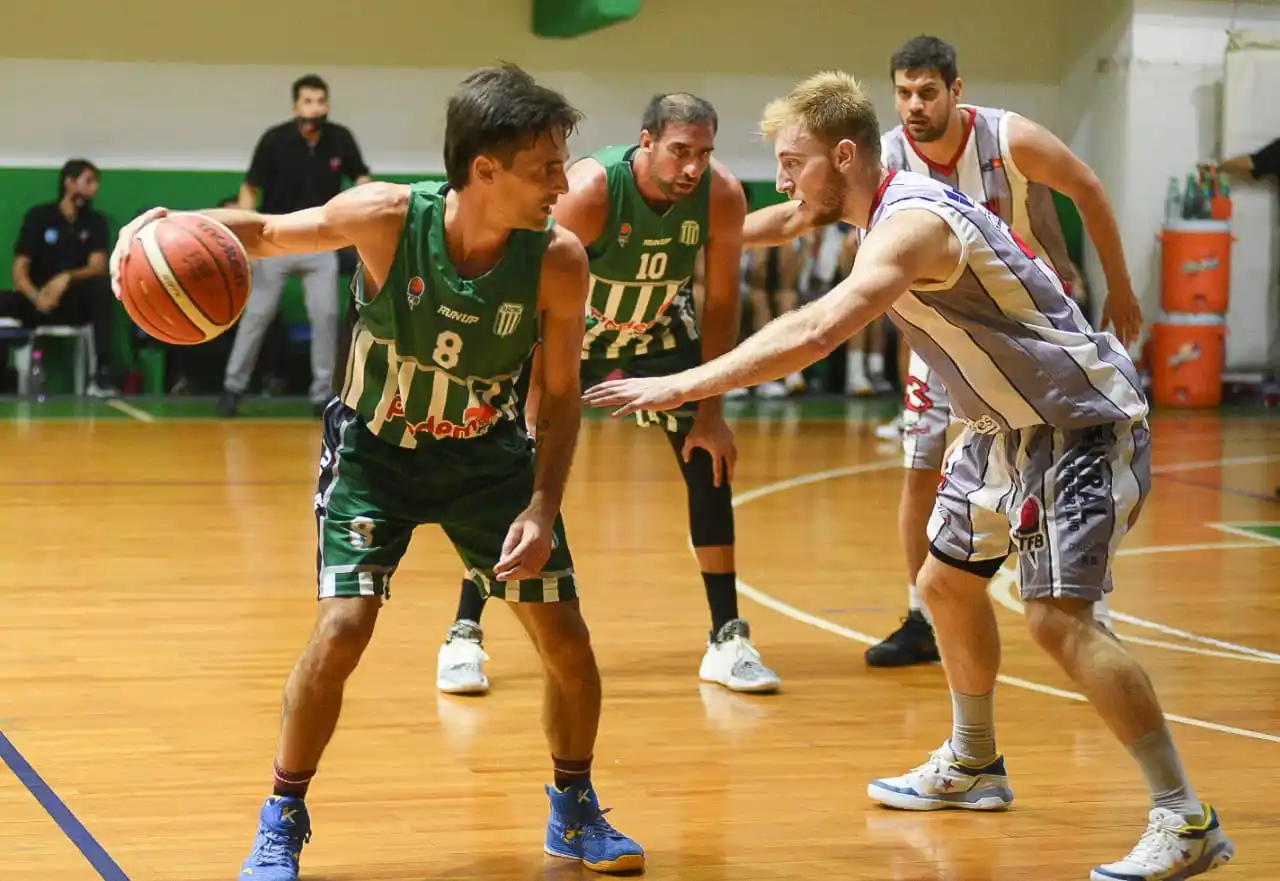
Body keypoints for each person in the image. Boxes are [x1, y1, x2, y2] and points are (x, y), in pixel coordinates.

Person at [584, 70, 1234, 881]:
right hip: (1000, 427)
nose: (783, 184)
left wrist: (685, 382)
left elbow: (817, 329)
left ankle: (1185, 816)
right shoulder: (878, 213)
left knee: (1058, 619)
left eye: (792, 164)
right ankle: (974, 761)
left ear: (842, 158)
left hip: (1077, 423)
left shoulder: (912, 224)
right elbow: (775, 231)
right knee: (944, 585)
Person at [109, 64, 643, 880]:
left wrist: (542, 504)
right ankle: (281, 816)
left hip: (487, 460)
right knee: (342, 630)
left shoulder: (559, 260)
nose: (563, 184)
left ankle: (573, 806)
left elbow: (564, 394)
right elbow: (265, 232)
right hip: (374, 450)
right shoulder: (389, 216)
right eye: (546, 168)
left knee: (566, 638)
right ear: (485, 169)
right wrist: (162, 227)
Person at [745, 35, 1142, 669]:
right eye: (903, 93)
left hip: (1024, 330)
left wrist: (1119, 286)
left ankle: (1085, 597)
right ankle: (922, 615)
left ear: (956, 91)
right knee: (921, 463)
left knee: (1051, 458)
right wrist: (705, 239)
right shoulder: (883, 156)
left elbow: (1088, 188)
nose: (914, 105)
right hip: (939, 332)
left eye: (927, 92)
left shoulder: (1009, 138)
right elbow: (795, 216)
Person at [435, 93, 782, 696]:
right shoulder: (590, 191)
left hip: (659, 331)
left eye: (704, 153)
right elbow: (538, 297)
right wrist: (533, 413)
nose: (693, 167)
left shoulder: (721, 195)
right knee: (514, 471)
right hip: (573, 331)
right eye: (680, 151)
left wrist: (711, 409)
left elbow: (722, 301)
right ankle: (464, 631)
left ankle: (728, 637)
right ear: (646, 143)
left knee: (709, 458)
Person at [219, 73, 372, 418]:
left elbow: (361, 178)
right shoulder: (274, 140)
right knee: (257, 315)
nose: (314, 108)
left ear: (327, 105)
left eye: (320, 101)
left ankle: (322, 394)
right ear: (296, 107)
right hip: (275, 240)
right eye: (308, 101)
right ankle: (232, 387)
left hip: (321, 242)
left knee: (326, 316)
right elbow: (250, 188)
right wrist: (246, 238)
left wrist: (365, 206)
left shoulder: (340, 139)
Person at [0, 159, 118, 394]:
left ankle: (101, 375)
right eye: (89, 181)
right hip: (37, 301)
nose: (94, 188)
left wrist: (66, 277)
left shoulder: (96, 223)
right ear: (69, 182)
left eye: (96, 183)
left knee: (102, 286)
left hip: (74, 304)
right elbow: (19, 269)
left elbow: (98, 266)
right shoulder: (39, 217)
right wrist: (35, 296)